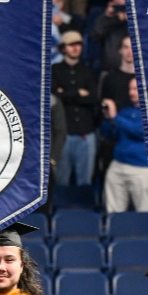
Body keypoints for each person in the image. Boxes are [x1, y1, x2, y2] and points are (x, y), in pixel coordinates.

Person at [52, 30, 97, 186]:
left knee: (85, 181)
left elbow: (93, 98)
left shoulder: (88, 71)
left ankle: (85, 210)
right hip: (63, 134)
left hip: (85, 132)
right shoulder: (54, 70)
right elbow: (53, 99)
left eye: (78, 44)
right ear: (63, 48)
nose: (75, 48)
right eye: (71, 45)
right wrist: (78, 92)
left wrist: (65, 93)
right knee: (60, 181)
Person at [102, 77, 148, 213]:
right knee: (113, 212)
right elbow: (111, 136)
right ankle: (114, 233)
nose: (131, 93)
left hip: (141, 168)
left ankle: (144, 235)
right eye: (130, 89)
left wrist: (115, 117)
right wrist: (108, 120)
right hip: (118, 164)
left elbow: (140, 132)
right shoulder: (125, 112)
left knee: (144, 211)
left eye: (135, 89)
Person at [90, 0, 130, 72]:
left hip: (135, 70)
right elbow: (95, 36)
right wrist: (110, 17)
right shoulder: (106, 18)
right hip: (111, 70)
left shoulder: (141, 15)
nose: (127, 0)